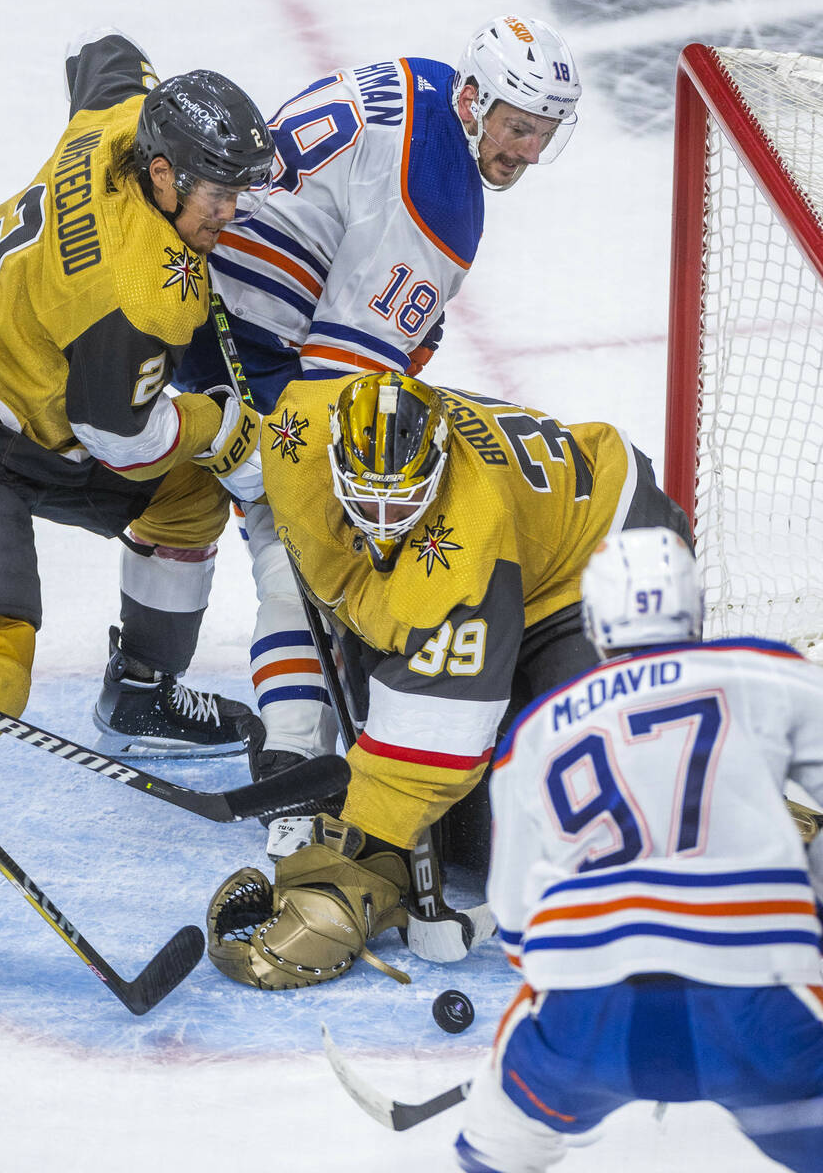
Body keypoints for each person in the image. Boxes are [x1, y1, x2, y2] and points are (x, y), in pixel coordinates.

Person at [0, 31, 279, 964]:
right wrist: (217, 426)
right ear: (162, 175)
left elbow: (105, 56)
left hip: (12, 381)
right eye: (219, 192)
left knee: (187, 502)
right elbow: (120, 437)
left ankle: (142, 695)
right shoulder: (140, 289)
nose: (232, 210)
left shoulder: (120, 120)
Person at [130, 16, 583, 784]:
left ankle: (141, 687)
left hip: (206, 280)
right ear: (473, 102)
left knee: (246, 506)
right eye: (517, 127)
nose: (529, 152)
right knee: (306, 537)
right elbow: (339, 384)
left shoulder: (426, 81)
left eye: (543, 133)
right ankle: (291, 761)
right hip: (247, 333)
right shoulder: (438, 197)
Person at [453, 528, 823, 1173]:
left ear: (592, 622)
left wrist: (577, 983)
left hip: (583, 1023)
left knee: (497, 1145)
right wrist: (810, 899)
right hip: (753, 1004)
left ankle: (502, 1142)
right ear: (695, 609)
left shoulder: (536, 730)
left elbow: (515, 921)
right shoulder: (757, 669)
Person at [204, 370, 691, 990]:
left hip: (606, 550)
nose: (383, 520)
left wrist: (339, 883)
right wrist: (194, 428)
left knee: (580, 798)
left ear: (437, 469)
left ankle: (724, 811)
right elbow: (243, 448)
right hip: (522, 539)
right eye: (367, 500)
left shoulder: (467, 539)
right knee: (438, 759)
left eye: (402, 502)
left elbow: (430, 750)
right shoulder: (301, 431)